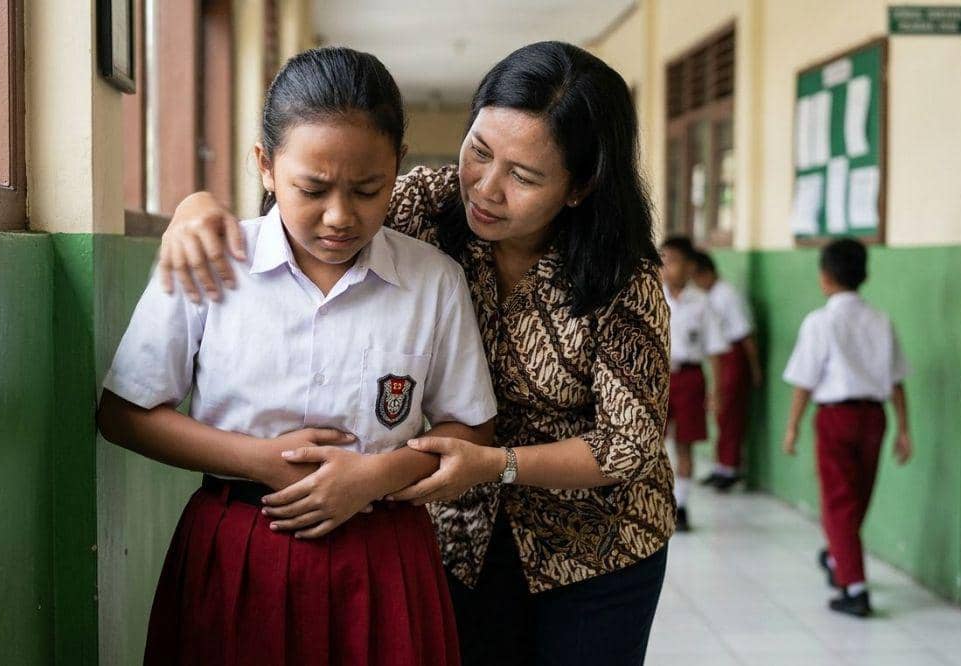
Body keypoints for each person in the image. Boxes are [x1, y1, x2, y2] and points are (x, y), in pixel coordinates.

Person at [154, 41, 674, 666]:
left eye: (524, 176)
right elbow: (304, 203)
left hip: (594, 545)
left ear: (579, 186)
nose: (486, 187)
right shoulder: (421, 203)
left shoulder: (621, 278)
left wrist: (494, 464)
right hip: (457, 536)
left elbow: (627, 444)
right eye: (479, 152)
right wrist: (193, 208)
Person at [97, 47, 497, 665]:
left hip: (383, 556)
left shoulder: (432, 281)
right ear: (264, 165)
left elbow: (470, 425)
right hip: (238, 550)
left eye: (369, 190)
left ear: (399, 168)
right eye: (311, 189)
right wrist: (260, 461)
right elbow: (123, 413)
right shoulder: (214, 259)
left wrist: (376, 475)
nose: (340, 216)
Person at [782, 237, 912, 618]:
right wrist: (905, 429)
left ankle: (855, 589)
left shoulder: (820, 321)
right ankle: (839, 558)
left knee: (839, 500)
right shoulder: (881, 319)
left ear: (824, 278)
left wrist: (792, 426)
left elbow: (805, 381)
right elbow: (897, 380)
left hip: (837, 417)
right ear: (865, 276)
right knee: (858, 495)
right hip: (875, 417)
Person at [659, 237, 728, 531]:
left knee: (684, 444)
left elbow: (715, 352)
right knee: (651, 444)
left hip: (689, 377)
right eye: (663, 260)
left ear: (689, 266)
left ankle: (681, 505)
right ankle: (651, 501)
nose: (666, 267)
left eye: (673, 261)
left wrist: (716, 392)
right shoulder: (652, 296)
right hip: (657, 378)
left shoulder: (702, 303)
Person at [691, 250, 762, 490]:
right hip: (721, 356)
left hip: (734, 355)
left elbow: (746, 335)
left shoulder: (727, 295)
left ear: (706, 273)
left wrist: (754, 369)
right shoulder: (711, 295)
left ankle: (731, 467)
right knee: (720, 411)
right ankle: (721, 465)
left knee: (731, 412)